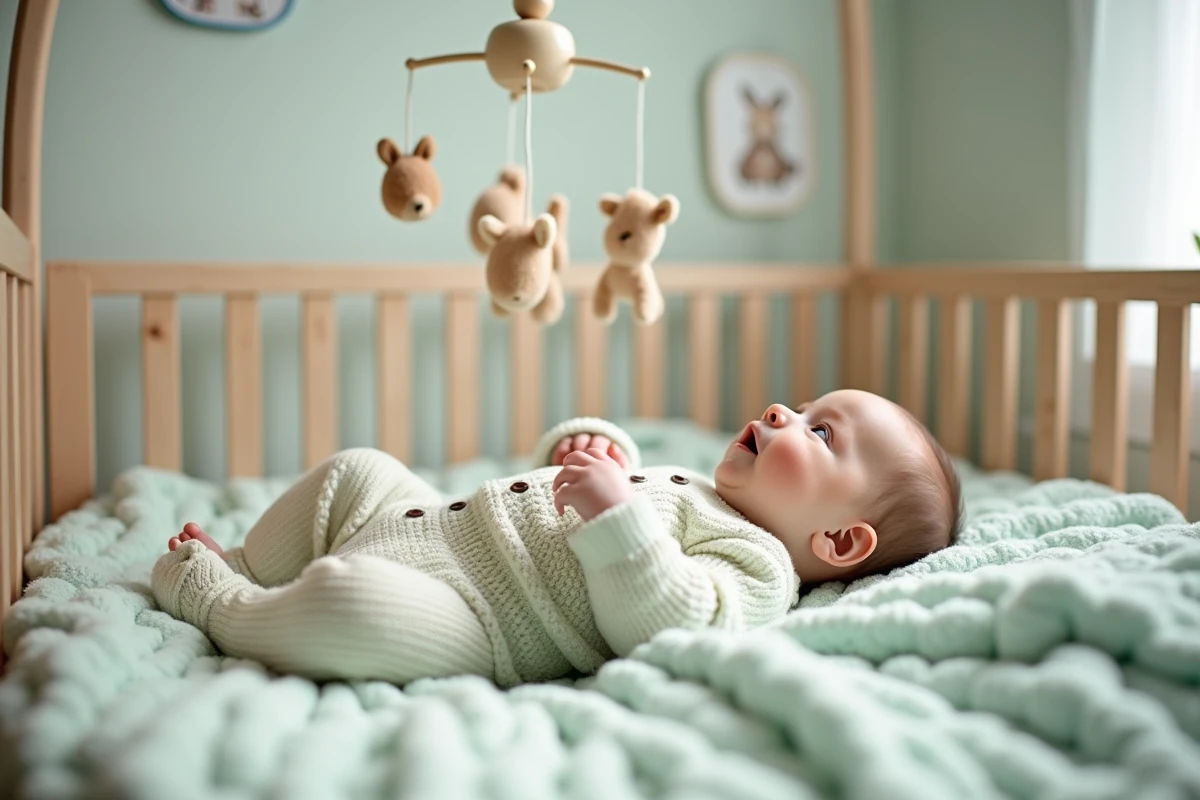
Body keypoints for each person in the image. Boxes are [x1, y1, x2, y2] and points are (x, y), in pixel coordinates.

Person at [151, 389, 961, 688]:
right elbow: (569, 494)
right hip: (431, 522)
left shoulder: (758, 570)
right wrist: (592, 455)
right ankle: (255, 560)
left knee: (354, 608)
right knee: (359, 469)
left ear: (843, 543)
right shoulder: (706, 487)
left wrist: (617, 516)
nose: (786, 412)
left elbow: (667, 624)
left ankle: (226, 602)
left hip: (472, 611)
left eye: (822, 435)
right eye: (805, 405)